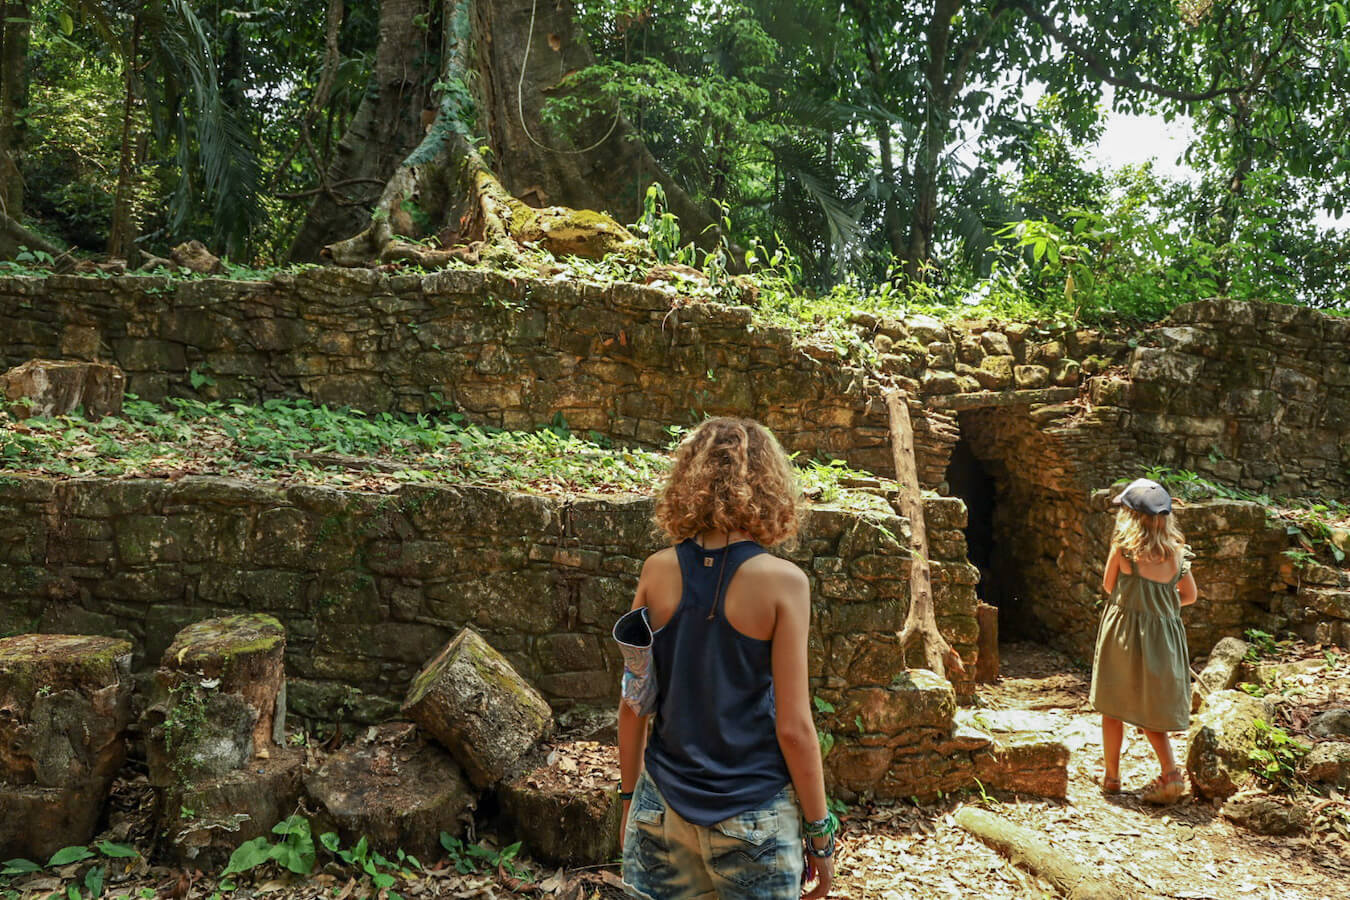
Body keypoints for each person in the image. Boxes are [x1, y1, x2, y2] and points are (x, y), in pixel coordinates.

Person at [617, 417, 835, 900]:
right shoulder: (784, 583)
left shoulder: (656, 571)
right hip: (753, 812)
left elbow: (635, 701)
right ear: (769, 483)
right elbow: (795, 728)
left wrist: (630, 801)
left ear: (690, 479)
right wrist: (822, 836)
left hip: (660, 807)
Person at [1090, 477, 1198, 804]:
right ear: (1165, 518)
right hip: (1163, 639)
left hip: (1123, 633)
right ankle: (1171, 772)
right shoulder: (1177, 554)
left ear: (1130, 516)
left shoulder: (1124, 549)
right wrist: (1160, 610)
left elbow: (1109, 586)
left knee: (1113, 705)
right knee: (1152, 707)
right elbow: (1189, 596)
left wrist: (1138, 604)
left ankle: (1111, 777)